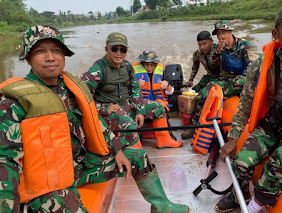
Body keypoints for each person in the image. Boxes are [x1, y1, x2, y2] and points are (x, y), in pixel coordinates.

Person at [0, 25, 189, 213]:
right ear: (27, 57)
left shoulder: (71, 87)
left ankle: (163, 208)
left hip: (81, 164)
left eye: (56, 50)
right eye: (40, 51)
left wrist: (116, 149)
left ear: (64, 55)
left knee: (138, 157)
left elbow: (94, 118)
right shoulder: (13, 102)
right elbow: (5, 162)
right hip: (50, 183)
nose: (50, 57)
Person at [215, 1, 282, 213]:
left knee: (281, 161)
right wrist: (234, 138)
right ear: (275, 33)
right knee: (242, 161)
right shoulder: (262, 65)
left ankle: (255, 206)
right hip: (274, 122)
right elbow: (245, 103)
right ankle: (239, 195)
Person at [81, 33, 183, 149]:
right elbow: (81, 97)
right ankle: (136, 152)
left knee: (158, 107)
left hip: (127, 105)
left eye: (123, 50)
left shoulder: (128, 66)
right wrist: (104, 109)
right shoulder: (97, 70)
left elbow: (135, 91)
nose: (119, 53)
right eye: (114, 49)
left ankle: (164, 140)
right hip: (109, 111)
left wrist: (139, 111)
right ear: (106, 49)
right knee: (128, 124)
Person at [182, 21, 252, 139]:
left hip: (241, 77)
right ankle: (193, 127)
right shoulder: (217, 48)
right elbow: (212, 64)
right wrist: (219, 51)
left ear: (230, 31)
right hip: (224, 78)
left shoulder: (243, 44)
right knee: (200, 96)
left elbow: (251, 66)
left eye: (224, 32)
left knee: (240, 82)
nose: (221, 36)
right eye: (218, 34)